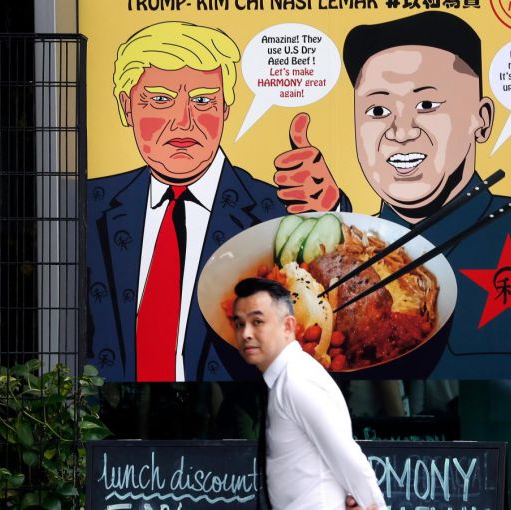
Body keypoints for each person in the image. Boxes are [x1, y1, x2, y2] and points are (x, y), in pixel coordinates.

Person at [292, 12, 511, 378]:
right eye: (378, 110)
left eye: (427, 106)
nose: (401, 131)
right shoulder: (344, 248)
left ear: (481, 119)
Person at [87, 22, 344, 382]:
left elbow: (342, 280)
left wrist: (332, 209)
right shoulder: (89, 204)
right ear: (127, 107)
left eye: (203, 101)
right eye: (160, 99)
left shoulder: (275, 210)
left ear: (225, 108)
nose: (183, 122)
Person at [232, 278, 386, 510]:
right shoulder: (285, 377)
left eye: (257, 322)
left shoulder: (297, 379)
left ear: (288, 327)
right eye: (239, 324)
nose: (246, 333)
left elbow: (347, 457)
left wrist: (375, 506)